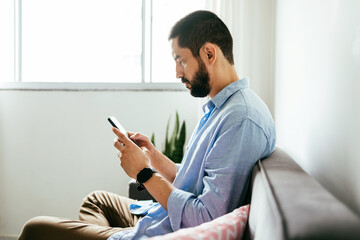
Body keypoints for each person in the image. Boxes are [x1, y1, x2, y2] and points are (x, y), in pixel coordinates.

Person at [18, 10, 276, 240]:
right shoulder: (220, 109)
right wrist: (152, 157)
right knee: (96, 200)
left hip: (170, 228)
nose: (177, 72)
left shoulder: (240, 120)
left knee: (34, 228)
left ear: (209, 53)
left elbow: (205, 218)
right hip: (160, 216)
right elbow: (192, 181)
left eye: (181, 60)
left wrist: (144, 174)